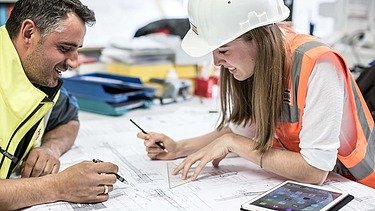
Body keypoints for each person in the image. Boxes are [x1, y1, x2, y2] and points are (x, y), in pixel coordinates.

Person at [137, 0, 375, 188]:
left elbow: (314, 171)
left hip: (359, 190)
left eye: (223, 50)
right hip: (316, 191)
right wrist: (179, 148)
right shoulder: (257, 64)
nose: (217, 62)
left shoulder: (318, 63)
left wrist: (234, 144)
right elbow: (241, 129)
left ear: (258, 39)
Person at [0, 0, 118, 209]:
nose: (74, 62)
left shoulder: (36, 75)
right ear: (28, 33)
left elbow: (69, 120)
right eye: (65, 48)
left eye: (77, 50)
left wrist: (50, 149)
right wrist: (58, 187)